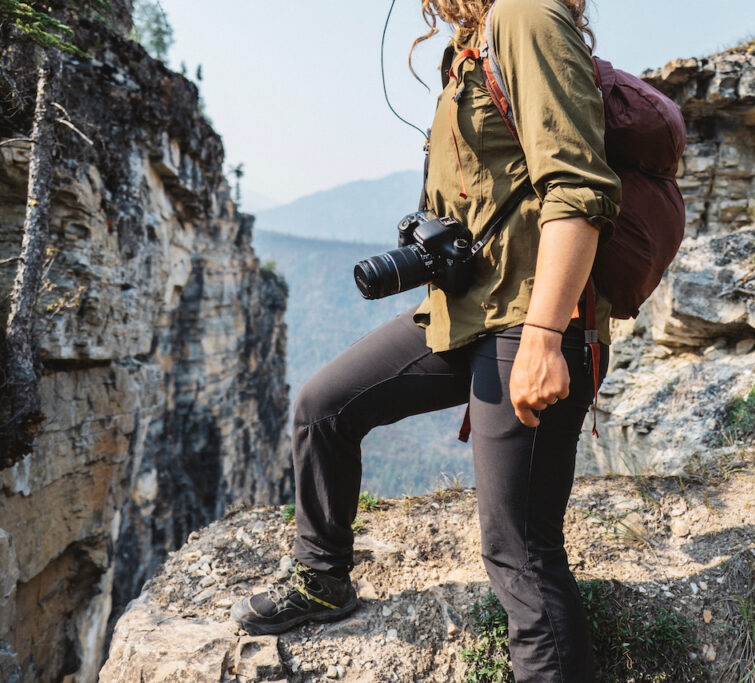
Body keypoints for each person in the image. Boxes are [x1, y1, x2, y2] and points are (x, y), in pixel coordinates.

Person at [231, 0, 621, 679]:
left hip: (528, 321)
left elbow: (578, 190)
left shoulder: (528, 15)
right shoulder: (473, 43)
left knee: (520, 552)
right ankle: (322, 579)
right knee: (324, 407)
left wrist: (543, 337)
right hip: (462, 313)